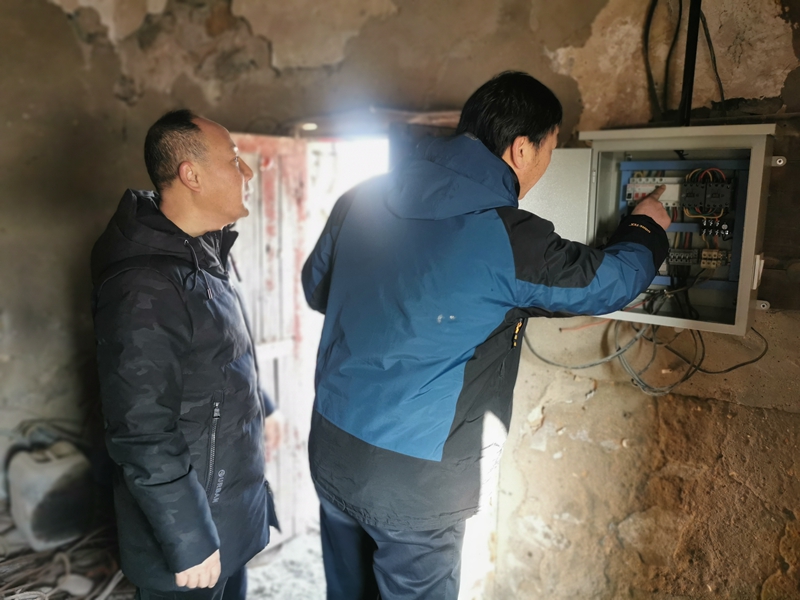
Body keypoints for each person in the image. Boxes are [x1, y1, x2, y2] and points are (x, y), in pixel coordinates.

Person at [301, 71, 670, 599]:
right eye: (550, 149)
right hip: (416, 482)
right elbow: (609, 283)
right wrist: (647, 226)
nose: (546, 164)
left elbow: (318, 288)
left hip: (333, 444)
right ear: (521, 149)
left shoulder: (361, 196)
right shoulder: (510, 238)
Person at [91, 109, 282, 599]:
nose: (247, 172)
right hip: (192, 534)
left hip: (225, 512)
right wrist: (189, 540)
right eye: (234, 160)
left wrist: (261, 408)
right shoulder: (143, 285)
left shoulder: (200, 251)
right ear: (191, 175)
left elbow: (219, 351)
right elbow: (141, 430)